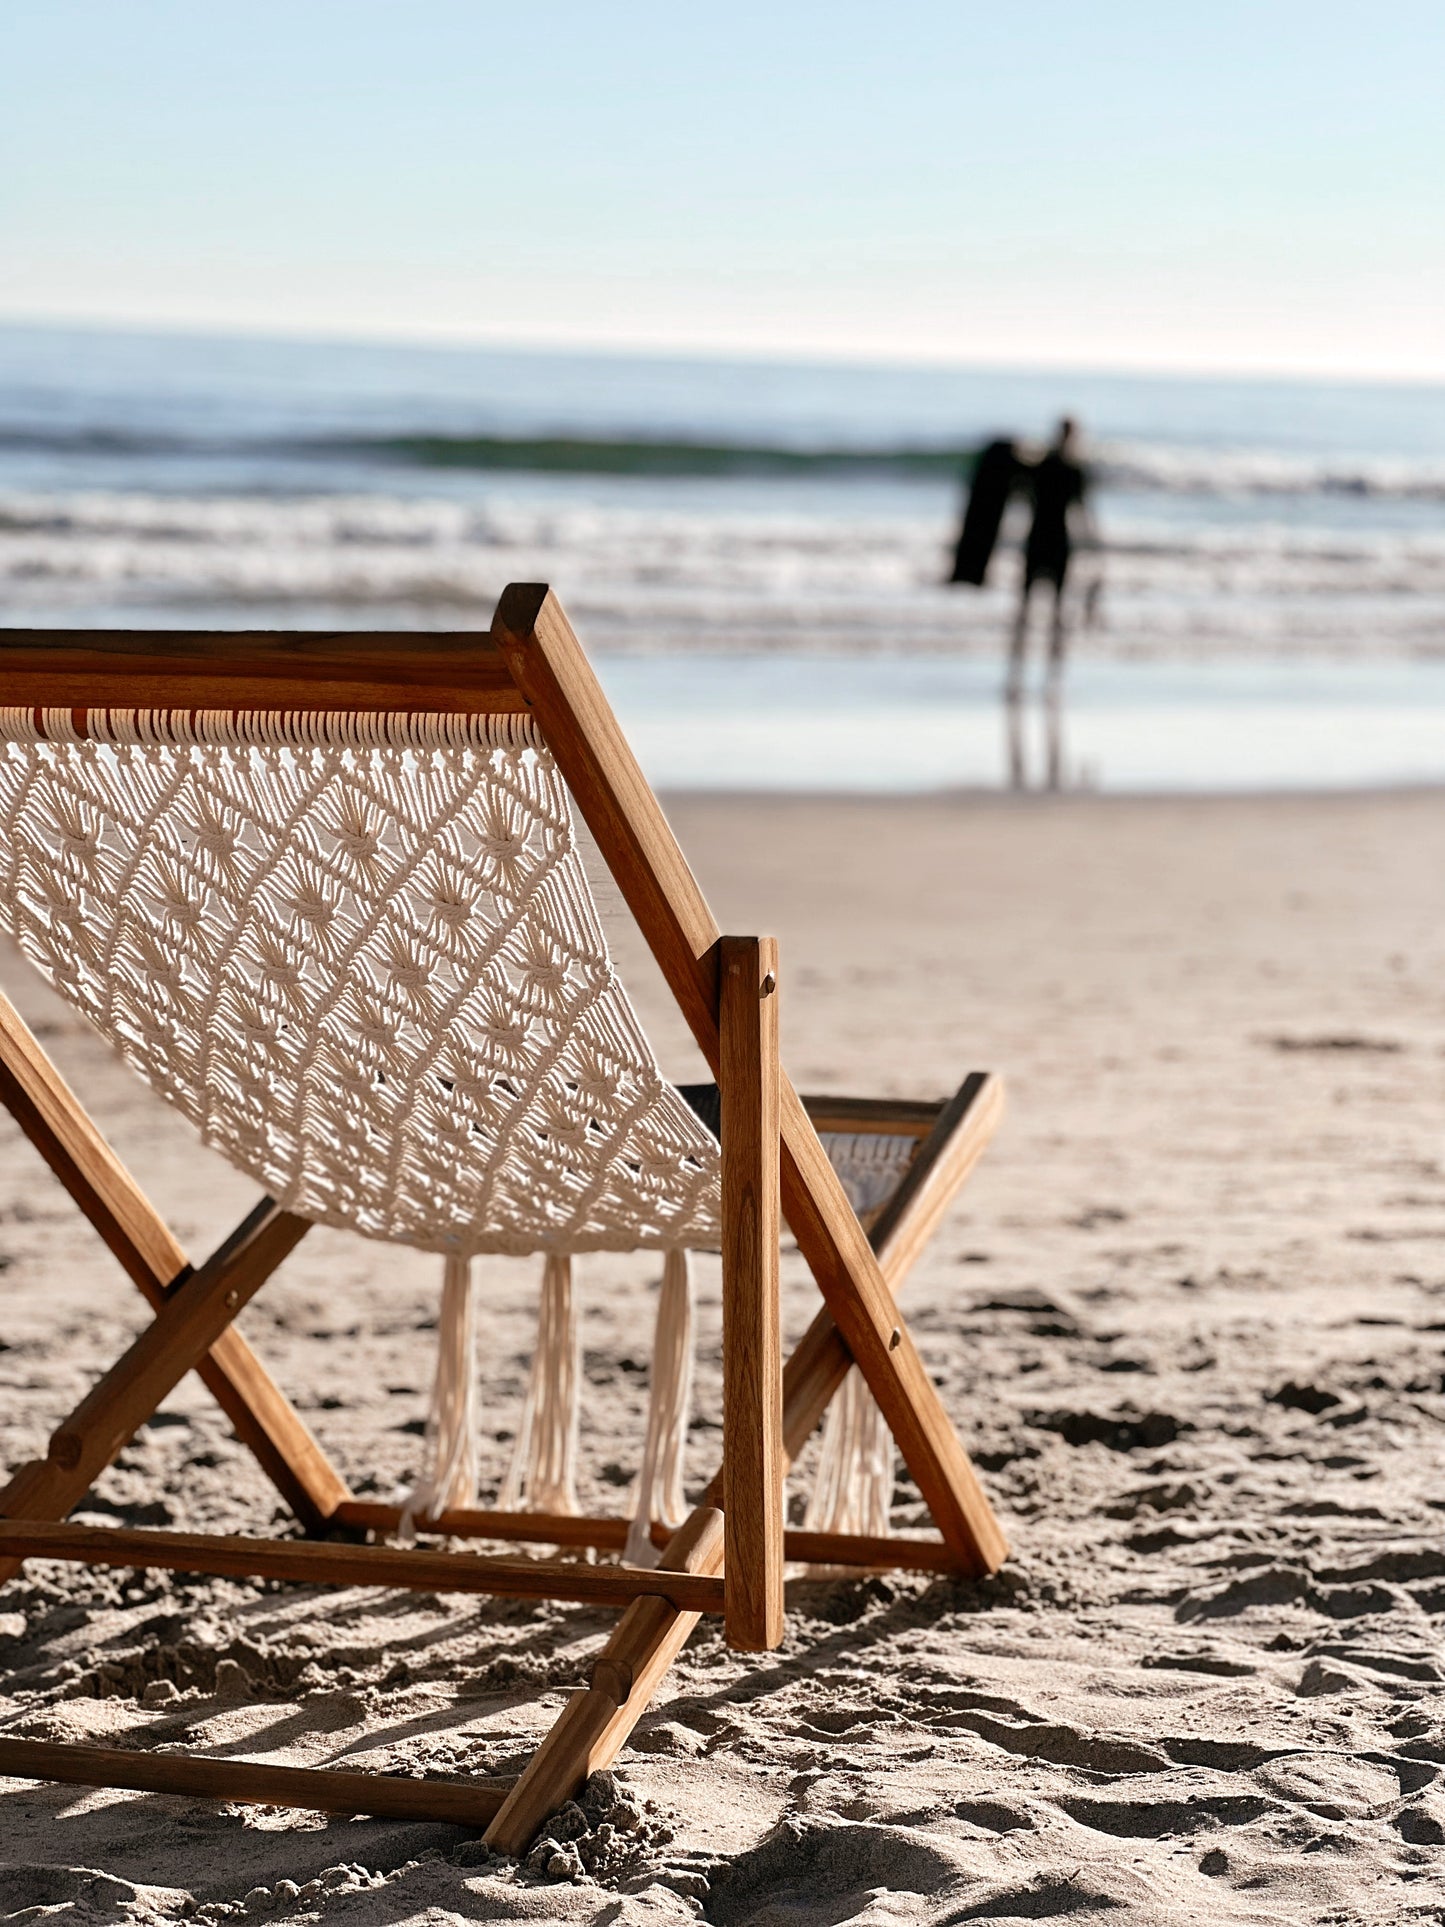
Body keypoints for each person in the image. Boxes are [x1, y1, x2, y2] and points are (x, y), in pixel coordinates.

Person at [1007, 417, 1092, 701]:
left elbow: (1019, 497)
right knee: (1050, 612)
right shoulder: (1073, 469)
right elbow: (1083, 514)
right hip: (1057, 542)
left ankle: (1021, 675)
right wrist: (1093, 548)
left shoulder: (1040, 465)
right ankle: (1049, 678)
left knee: (1029, 611)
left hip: (1038, 540)